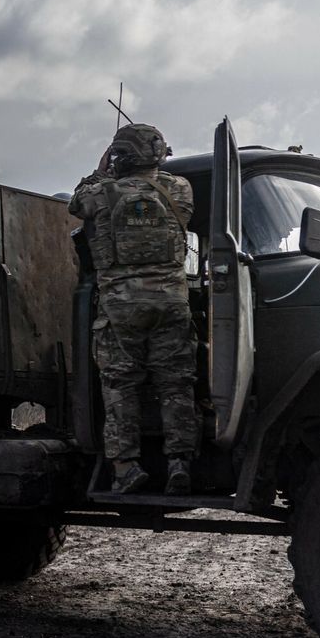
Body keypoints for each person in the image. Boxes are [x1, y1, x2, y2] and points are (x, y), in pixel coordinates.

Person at [69, 123, 199, 495]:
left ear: (120, 157)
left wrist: (100, 170)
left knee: (120, 387)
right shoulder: (180, 189)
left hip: (122, 307)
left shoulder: (101, 193)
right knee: (176, 385)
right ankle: (179, 463)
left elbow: (76, 202)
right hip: (172, 302)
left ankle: (126, 468)